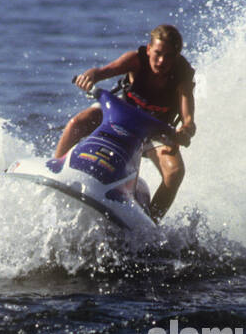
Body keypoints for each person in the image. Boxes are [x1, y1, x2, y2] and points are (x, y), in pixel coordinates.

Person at [56, 24, 197, 221]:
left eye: (169, 56)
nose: (162, 60)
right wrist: (89, 77)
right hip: (119, 116)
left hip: (153, 130)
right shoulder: (136, 60)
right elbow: (100, 72)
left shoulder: (182, 76)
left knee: (174, 173)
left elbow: (187, 115)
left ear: (177, 57)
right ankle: (56, 170)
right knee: (77, 123)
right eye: (157, 53)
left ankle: (150, 223)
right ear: (148, 49)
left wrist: (187, 129)